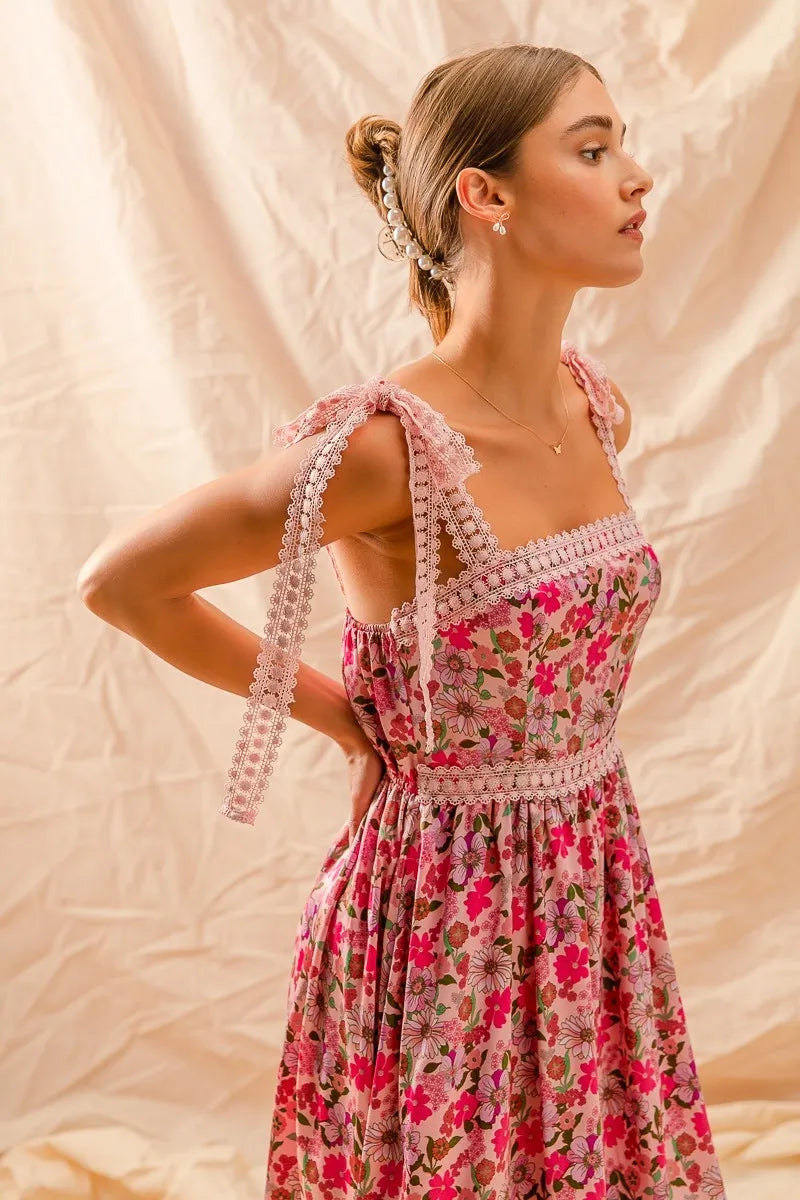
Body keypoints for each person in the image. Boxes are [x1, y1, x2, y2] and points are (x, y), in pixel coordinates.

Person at [78, 41, 728, 1200]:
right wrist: (343, 721)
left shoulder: (593, 407)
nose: (636, 176)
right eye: (591, 148)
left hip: (588, 898)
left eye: (621, 142)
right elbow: (122, 581)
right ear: (485, 196)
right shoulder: (387, 451)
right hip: (445, 923)